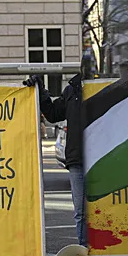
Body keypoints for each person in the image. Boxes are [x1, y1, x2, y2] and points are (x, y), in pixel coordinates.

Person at [24, 71, 86, 246]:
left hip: (102, 157)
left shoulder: (105, 86)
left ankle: (109, 251)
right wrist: (40, 90)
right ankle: (86, 251)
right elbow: (53, 113)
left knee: (104, 208)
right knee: (81, 212)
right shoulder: (73, 89)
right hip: (78, 160)